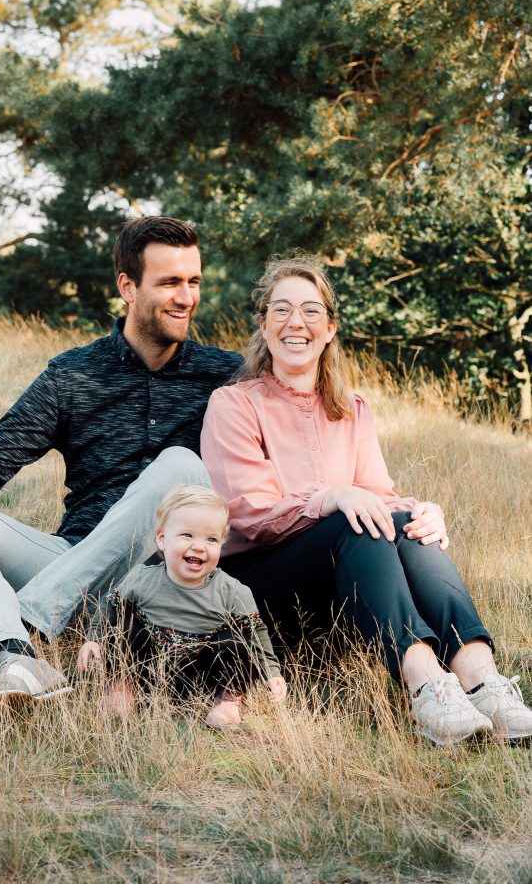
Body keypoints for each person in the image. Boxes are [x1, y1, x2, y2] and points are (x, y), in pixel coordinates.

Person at [0, 216, 241, 708]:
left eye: (193, 282)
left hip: (160, 583)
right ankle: (12, 656)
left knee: (181, 466)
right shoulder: (73, 373)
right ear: (127, 285)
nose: (186, 297)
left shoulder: (227, 376)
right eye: (169, 283)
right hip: (70, 561)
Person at [201, 254, 532, 745]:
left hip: (348, 578)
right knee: (359, 521)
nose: (297, 323)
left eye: (312, 311)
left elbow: (379, 495)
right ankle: (426, 686)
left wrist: (423, 512)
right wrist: (330, 496)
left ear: (330, 328)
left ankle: (481, 680)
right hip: (260, 585)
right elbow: (247, 514)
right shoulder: (234, 404)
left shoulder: (352, 409)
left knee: (404, 521)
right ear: (265, 326)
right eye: (282, 310)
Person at [77, 484, 287, 728]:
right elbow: (109, 607)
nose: (199, 546)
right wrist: (93, 638)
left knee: (237, 641)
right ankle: (122, 688)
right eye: (187, 535)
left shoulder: (232, 591)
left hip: (203, 675)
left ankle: (227, 701)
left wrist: (272, 673)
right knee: (126, 624)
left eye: (211, 539)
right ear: (162, 540)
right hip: (151, 670)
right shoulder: (141, 579)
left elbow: (257, 635)